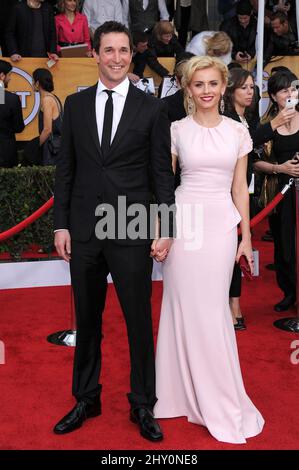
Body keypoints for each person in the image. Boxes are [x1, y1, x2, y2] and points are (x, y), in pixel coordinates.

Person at [53, 20, 175, 441]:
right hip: (85, 232)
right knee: (87, 322)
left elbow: (162, 173)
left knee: (138, 322)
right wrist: (62, 224)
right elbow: (65, 169)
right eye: (109, 50)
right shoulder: (76, 105)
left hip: (132, 228)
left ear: (131, 54)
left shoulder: (152, 108)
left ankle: (143, 404)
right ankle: (86, 397)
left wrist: (167, 227)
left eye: (124, 50)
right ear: (94, 53)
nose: (118, 58)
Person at [154, 55, 265, 444]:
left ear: (223, 87)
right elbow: (165, 186)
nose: (206, 91)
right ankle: (177, 394)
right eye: (198, 84)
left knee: (211, 308)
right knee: (179, 304)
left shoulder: (238, 133)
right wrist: (162, 230)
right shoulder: (175, 130)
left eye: (212, 84)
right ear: (187, 89)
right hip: (183, 224)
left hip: (220, 225)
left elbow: (239, 189)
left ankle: (216, 395)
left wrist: (246, 237)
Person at [254, 71, 299, 312]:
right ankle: (289, 292)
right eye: (284, 91)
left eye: (293, 89)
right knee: (284, 244)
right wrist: (279, 167)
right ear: (273, 96)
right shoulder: (266, 126)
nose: (290, 94)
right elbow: (252, 160)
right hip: (279, 192)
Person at [223, 67, 257, 331]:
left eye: (253, 87)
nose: (250, 92)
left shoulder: (249, 117)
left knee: (239, 250)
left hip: (248, 192)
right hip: (227, 196)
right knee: (229, 253)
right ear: (231, 90)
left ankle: (233, 301)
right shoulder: (227, 121)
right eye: (244, 87)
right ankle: (232, 303)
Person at [32, 68, 63, 166]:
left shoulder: (47, 100)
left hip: (51, 149)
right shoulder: (53, 97)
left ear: (37, 83)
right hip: (56, 146)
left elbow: (47, 129)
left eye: (33, 81)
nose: (31, 84)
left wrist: (36, 147)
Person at [0, 59, 24, 168]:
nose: (10, 78)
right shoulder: (12, 99)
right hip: (6, 153)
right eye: (9, 75)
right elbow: (19, 127)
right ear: (2, 76)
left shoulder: (10, 98)